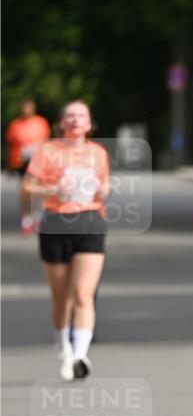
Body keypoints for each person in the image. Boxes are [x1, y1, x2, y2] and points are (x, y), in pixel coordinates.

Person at [24, 100, 110, 381]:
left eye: (81, 116)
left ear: (89, 123)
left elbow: (105, 188)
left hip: (90, 222)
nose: (75, 120)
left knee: (84, 294)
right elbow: (27, 186)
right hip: (56, 223)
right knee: (62, 300)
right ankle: (63, 346)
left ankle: (79, 354)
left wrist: (102, 188)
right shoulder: (47, 150)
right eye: (70, 116)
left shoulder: (98, 153)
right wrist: (54, 188)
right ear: (61, 123)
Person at [5, 98, 50, 235]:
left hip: (38, 161)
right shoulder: (15, 125)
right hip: (21, 162)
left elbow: (47, 142)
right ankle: (26, 220)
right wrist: (8, 165)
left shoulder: (40, 122)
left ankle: (37, 218)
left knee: (37, 191)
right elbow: (10, 145)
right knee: (25, 191)